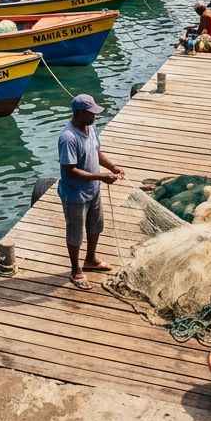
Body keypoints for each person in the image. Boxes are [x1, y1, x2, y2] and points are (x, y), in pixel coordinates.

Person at [58, 94, 124, 290]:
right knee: (75, 233)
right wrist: (101, 177)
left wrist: (112, 167)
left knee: (96, 225)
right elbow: (70, 170)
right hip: (75, 194)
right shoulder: (68, 137)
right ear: (79, 113)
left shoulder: (91, 128)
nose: (95, 115)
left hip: (93, 190)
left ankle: (91, 259)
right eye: (91, 112)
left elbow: (96, 152)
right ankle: (75, 269)